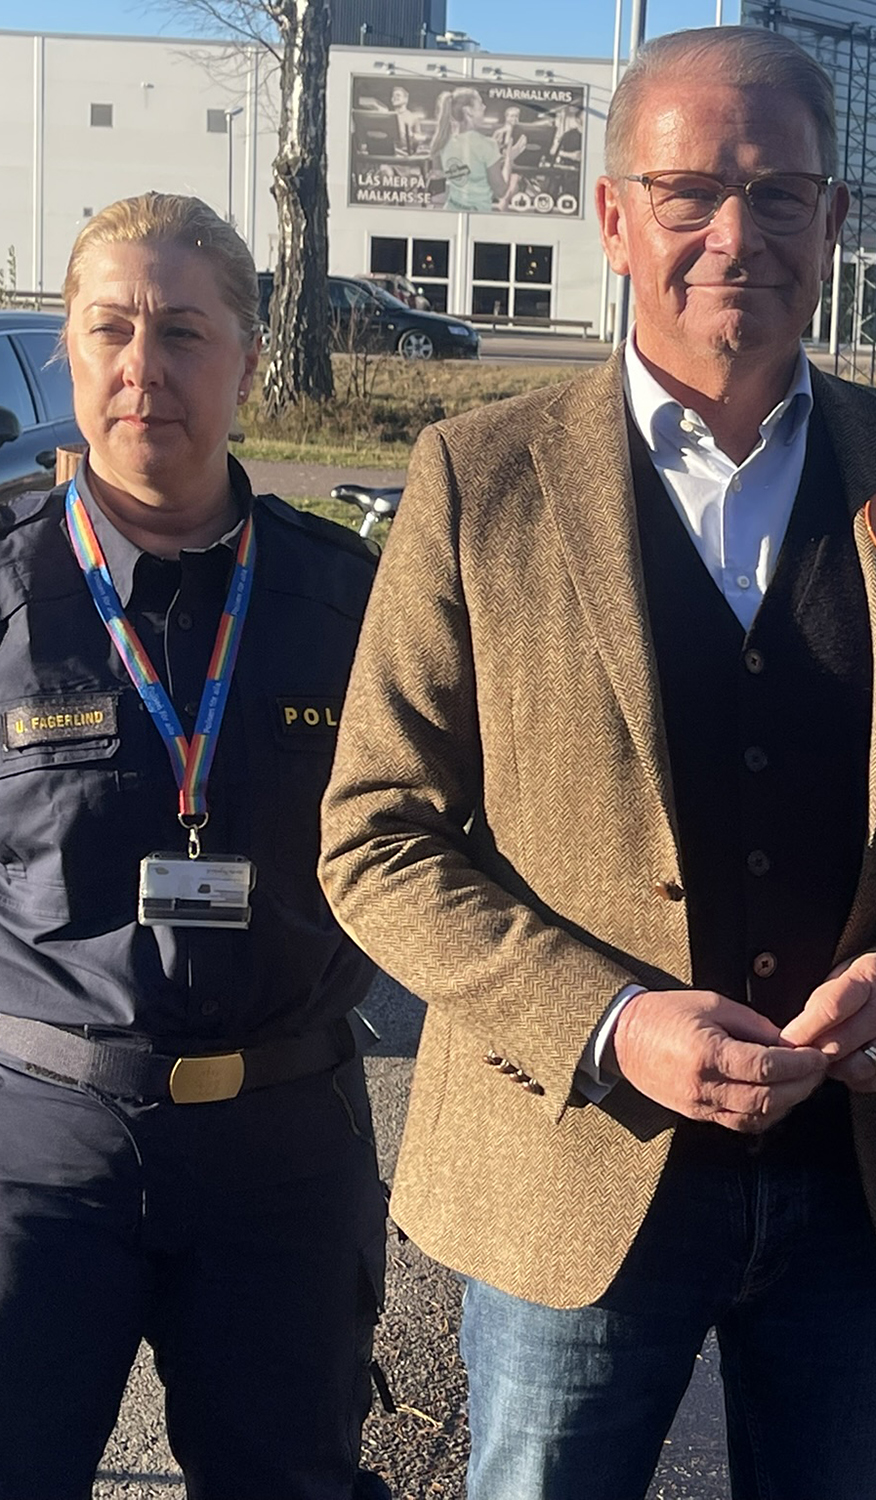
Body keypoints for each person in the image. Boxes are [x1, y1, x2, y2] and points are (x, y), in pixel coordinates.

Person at [321, 26, 876, 1500]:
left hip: (858, 1181)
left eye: (779, 193)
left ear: (836, 222)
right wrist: (609, 1021)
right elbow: (376, 832)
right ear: (614, 219)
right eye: (688, 194)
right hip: (575, 1166)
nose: (735, 234)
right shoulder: (476, 478)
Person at [0, 193, 388, 1499]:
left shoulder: (354, 605)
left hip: (284, 1146)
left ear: (247, 358)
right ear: (68, 345)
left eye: (182, 331)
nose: (143, 368)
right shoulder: (2, 601)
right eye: (110, 329)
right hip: (39, 1154)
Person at [426, 87, 502, 212]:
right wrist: (509, 160)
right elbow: (501, 191)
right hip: (479, 216)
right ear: (468, 111)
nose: (484, 107)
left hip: (450, 211)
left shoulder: (443, 143)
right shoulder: (489, 145)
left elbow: (443, 176)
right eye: (480, 104)